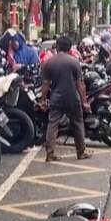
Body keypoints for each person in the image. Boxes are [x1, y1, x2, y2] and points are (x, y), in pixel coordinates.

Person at [41, 34, 92, 162]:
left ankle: (50, 153)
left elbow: (45, 84)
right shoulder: (74, 62)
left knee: (53, 124)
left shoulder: (48, 63)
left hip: (56, 98)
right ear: (69, 48)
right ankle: (81, 152)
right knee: (77, 124)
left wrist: (42, 100)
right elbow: (80, 84)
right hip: (72, 98)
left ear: (57, 47)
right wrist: (84, 102)